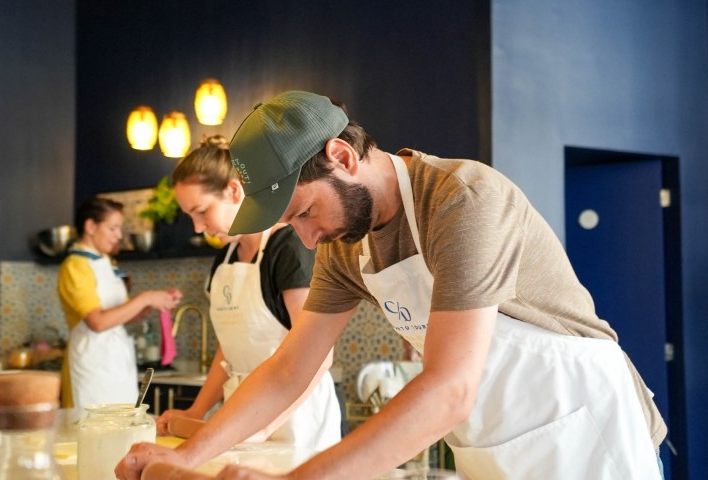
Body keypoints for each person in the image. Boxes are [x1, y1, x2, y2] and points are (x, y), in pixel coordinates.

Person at [116, 91, 666, 480]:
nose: (306, 241)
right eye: (292, 225)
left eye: (305, 212)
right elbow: (289, 369)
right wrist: (190, 455)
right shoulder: (343, 244)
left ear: (342, 156)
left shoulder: (461, 201)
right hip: (496, 447)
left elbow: (451, 387)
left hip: (585, 435)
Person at [154, 135, 342, 450]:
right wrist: (196, 411)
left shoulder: (287, 248)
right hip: (242, 417)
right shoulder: (224, 260)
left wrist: (266, 426)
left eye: (201, 211)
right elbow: (229, 350)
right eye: (191, 217)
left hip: (296, 422)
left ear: (233, 190)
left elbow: (319, 354)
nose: (197, 227)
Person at [58, 197, 182, 414]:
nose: (119, 235)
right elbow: (97, 322)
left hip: (117, 367)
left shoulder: (106, 263)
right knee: (91, 433)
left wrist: (155, 303)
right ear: (90, 226)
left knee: (123, 430)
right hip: (90, 368)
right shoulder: (75, 266)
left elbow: (124, 316)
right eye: (113, 228)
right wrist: (144, 298)